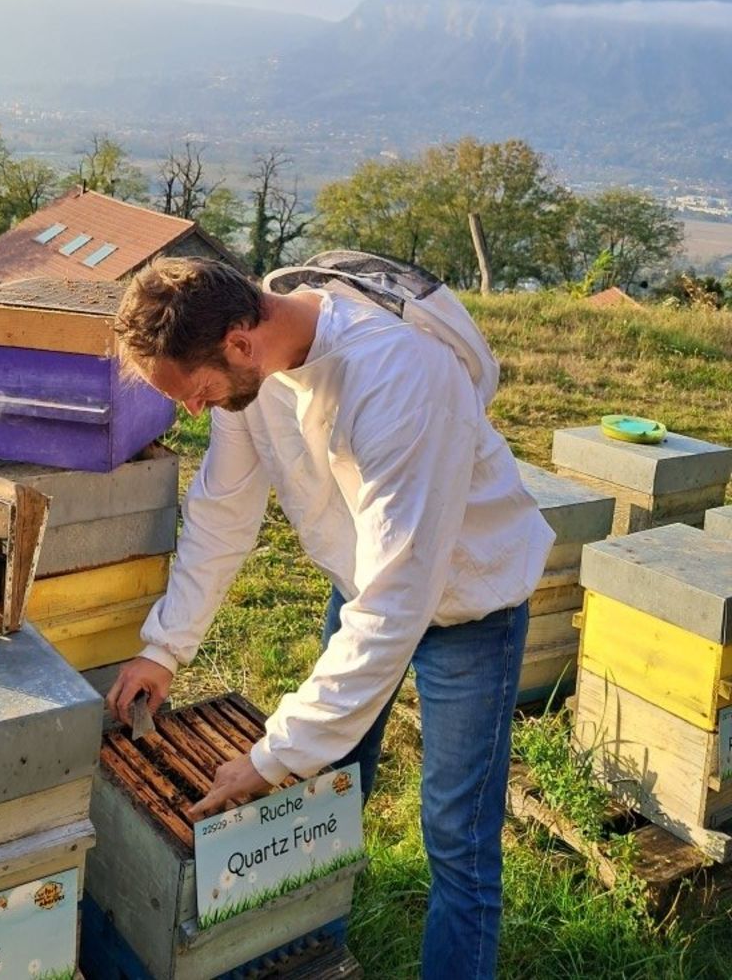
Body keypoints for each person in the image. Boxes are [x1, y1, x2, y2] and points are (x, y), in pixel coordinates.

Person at [106, 255, 553, 980]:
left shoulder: (399, 378)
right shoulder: (253, 372)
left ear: (238, 343)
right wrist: (165, 647)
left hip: (469, 602)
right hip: (365, 585)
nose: (194, 410)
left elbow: (395, 604)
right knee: (327, 794)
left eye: (197, 393)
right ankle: (317, 955)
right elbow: (223, 512)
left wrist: (267, 756)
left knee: (457, 836)